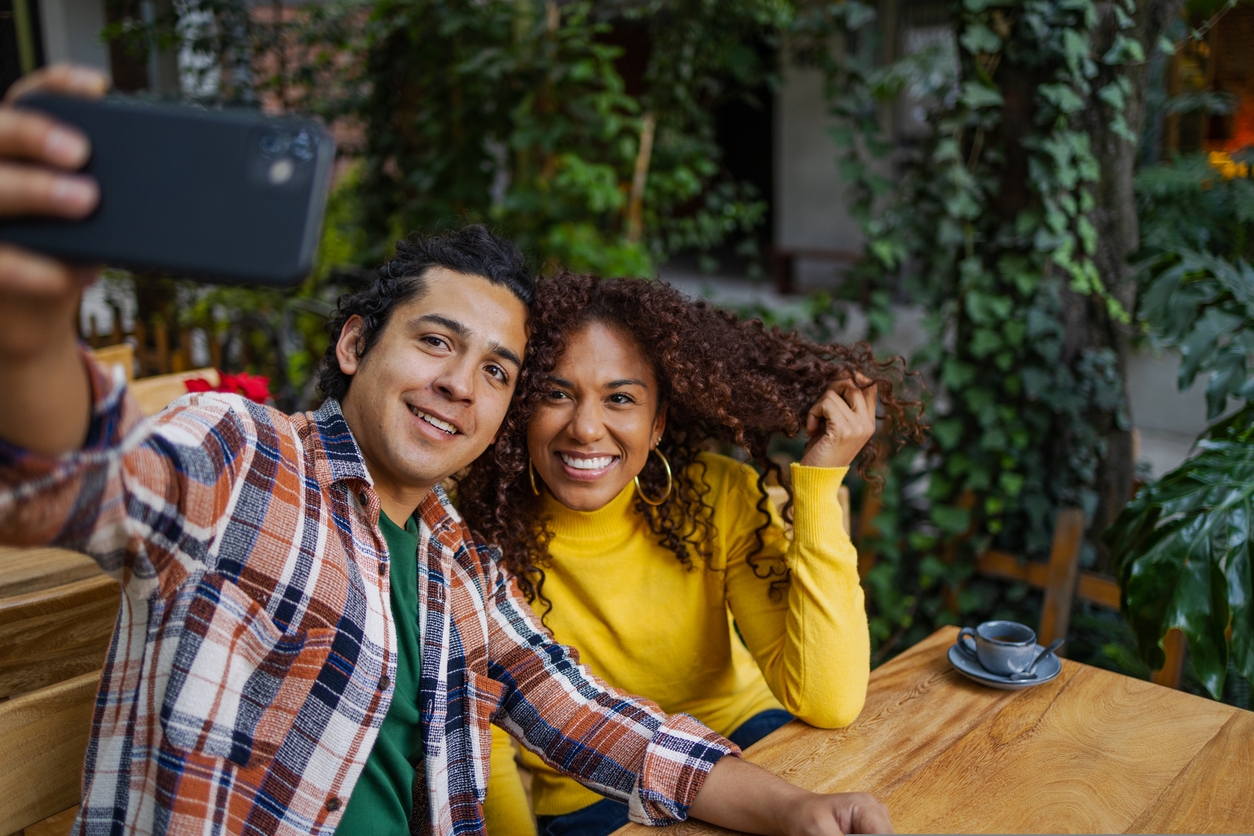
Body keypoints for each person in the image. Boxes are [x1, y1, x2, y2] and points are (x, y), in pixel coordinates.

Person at [0, 67, 894, 836]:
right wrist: (30, 330)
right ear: (356, 347)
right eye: (435, 342)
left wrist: (793, 809)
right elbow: (69, 475)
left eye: (498, 370)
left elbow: (592, 719)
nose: (463, 384)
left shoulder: (453, 567)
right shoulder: (242, 459)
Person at [457, 272, 924, 836]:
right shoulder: (475, 531)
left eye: (620, 399)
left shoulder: (718, 495)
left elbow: (829, 701)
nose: (584, 428)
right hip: (596, 790)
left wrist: (821, 482)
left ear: (657, 424)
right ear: (520, 409)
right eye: (556, 394)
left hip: (750, 742)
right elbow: (486, 738)